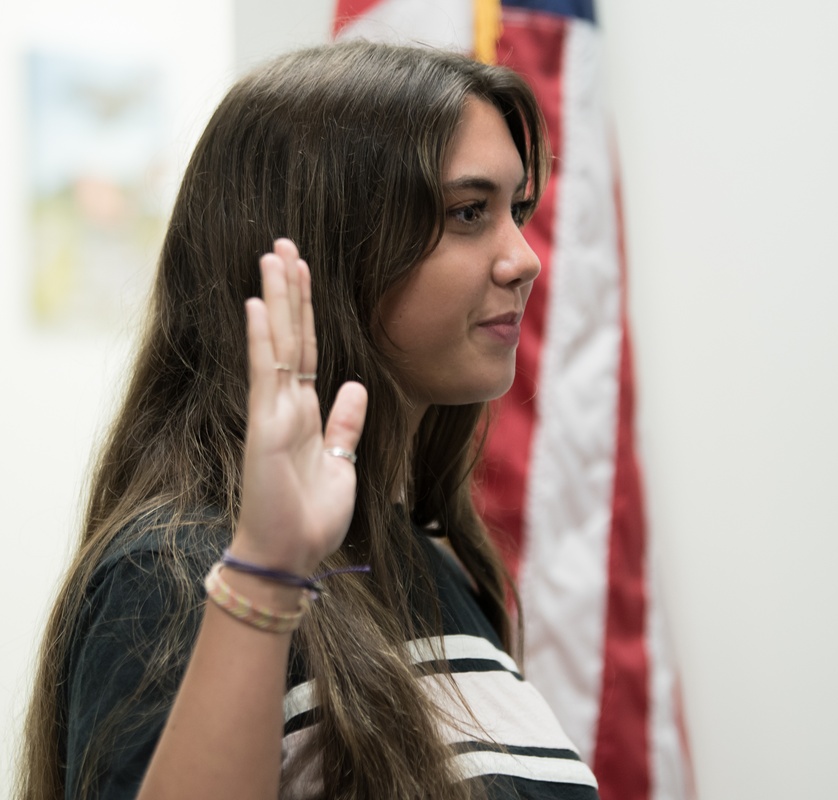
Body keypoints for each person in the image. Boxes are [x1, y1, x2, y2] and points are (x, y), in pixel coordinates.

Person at [15, 40, 601, 800]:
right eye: (468, 213)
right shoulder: (179, 572)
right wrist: (264, 577)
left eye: (516, 211)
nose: (523, 258)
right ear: (327, 250)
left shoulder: (433, 560)